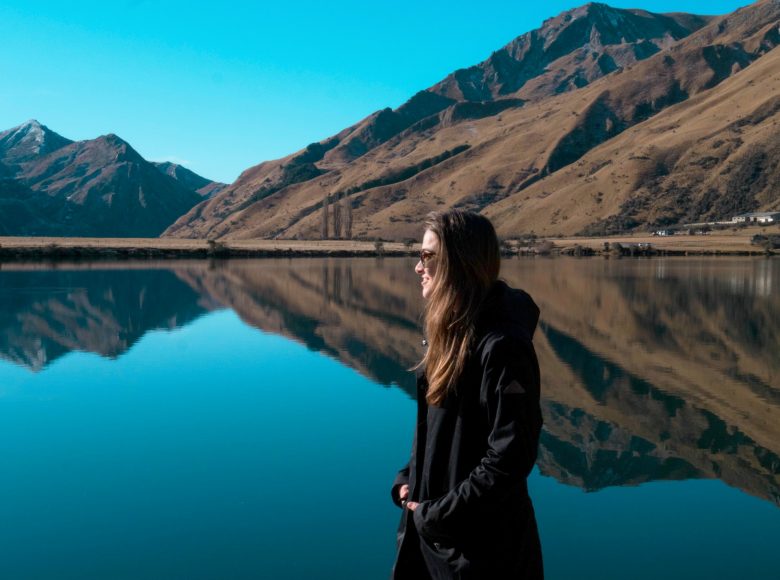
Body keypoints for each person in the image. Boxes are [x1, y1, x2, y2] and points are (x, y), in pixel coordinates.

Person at [390, 209, 544, 579]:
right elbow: (440, 431)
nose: (417, 266)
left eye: (428, 256)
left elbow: (510, 458)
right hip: (440, 540)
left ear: (459, 262)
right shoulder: (453, 332)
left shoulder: (502, 344)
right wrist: (409, 476)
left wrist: (436, 514)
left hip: (481, 554)